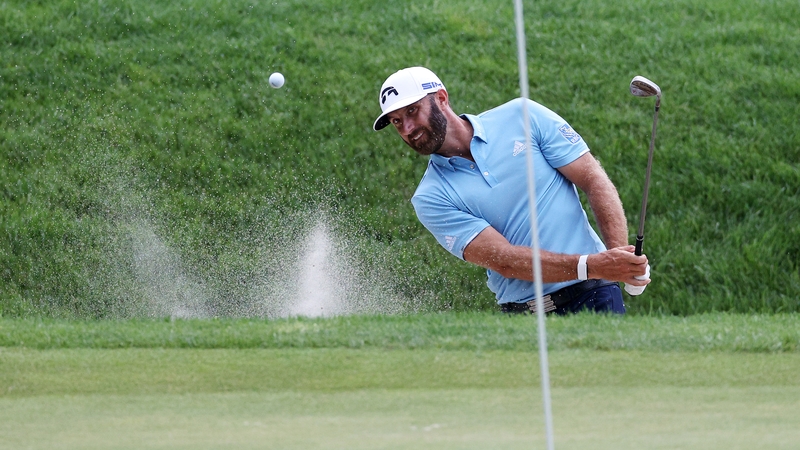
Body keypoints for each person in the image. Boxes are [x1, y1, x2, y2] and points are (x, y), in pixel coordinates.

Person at [372, 66, 651, 315]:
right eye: (397, 121)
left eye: (412, 111)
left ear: (442, 99)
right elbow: (503, 260)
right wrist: (595, 265)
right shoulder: (430, 196)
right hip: (526, 317)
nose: (408, 128)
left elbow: (592, 178)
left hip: (595, 295)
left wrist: (621, 258)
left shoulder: (523, 115)